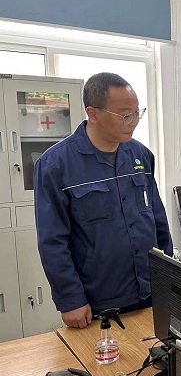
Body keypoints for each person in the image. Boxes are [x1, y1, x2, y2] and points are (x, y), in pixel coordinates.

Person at [34, 72, 172, 329]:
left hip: (150, 291)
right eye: (125, 115)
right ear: (93, 113)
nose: (134, 122)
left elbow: (157, 220)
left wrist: (168, 279)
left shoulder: (140, 155)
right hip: (98, 300)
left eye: (137, 113)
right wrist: (71, 299)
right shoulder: (56, 164)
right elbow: (52, 240)